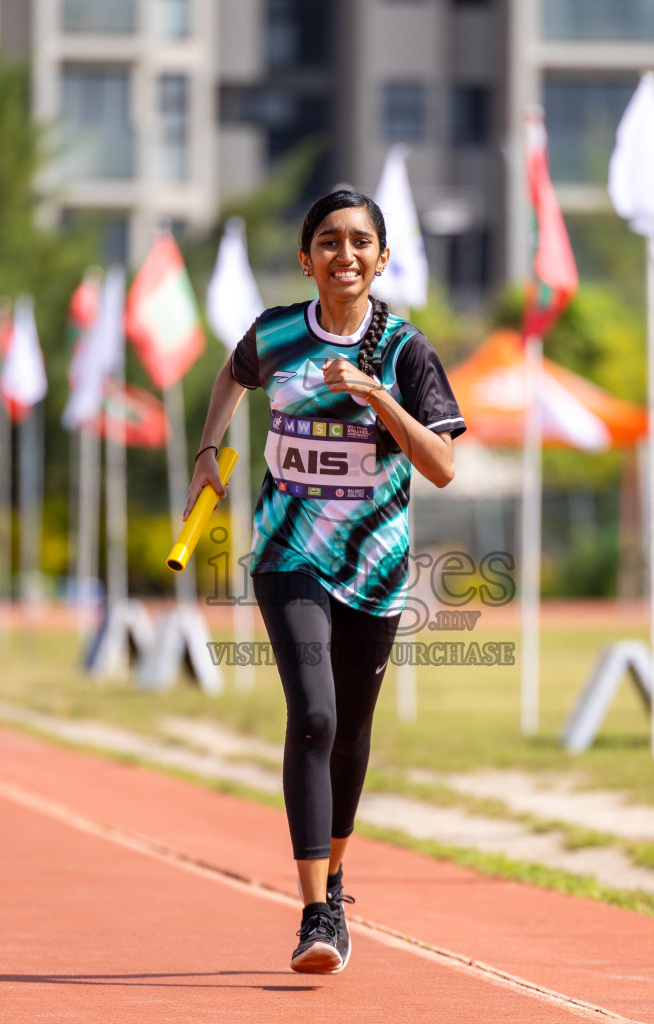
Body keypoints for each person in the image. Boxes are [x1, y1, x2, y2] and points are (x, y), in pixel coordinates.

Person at [186, 190, 465, 973]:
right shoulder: (276, 332)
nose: (346, 254)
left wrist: (376, 395)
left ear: (381, 258)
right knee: (313, 717)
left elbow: (442, 467)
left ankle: (336, 880)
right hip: (287, 554)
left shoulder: (407, 350)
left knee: (350, 735)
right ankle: (315, 914)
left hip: (373, 570)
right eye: (330, 241)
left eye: (361, 242)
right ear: (306, 257)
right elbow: (230, 376)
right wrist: (208, 450)